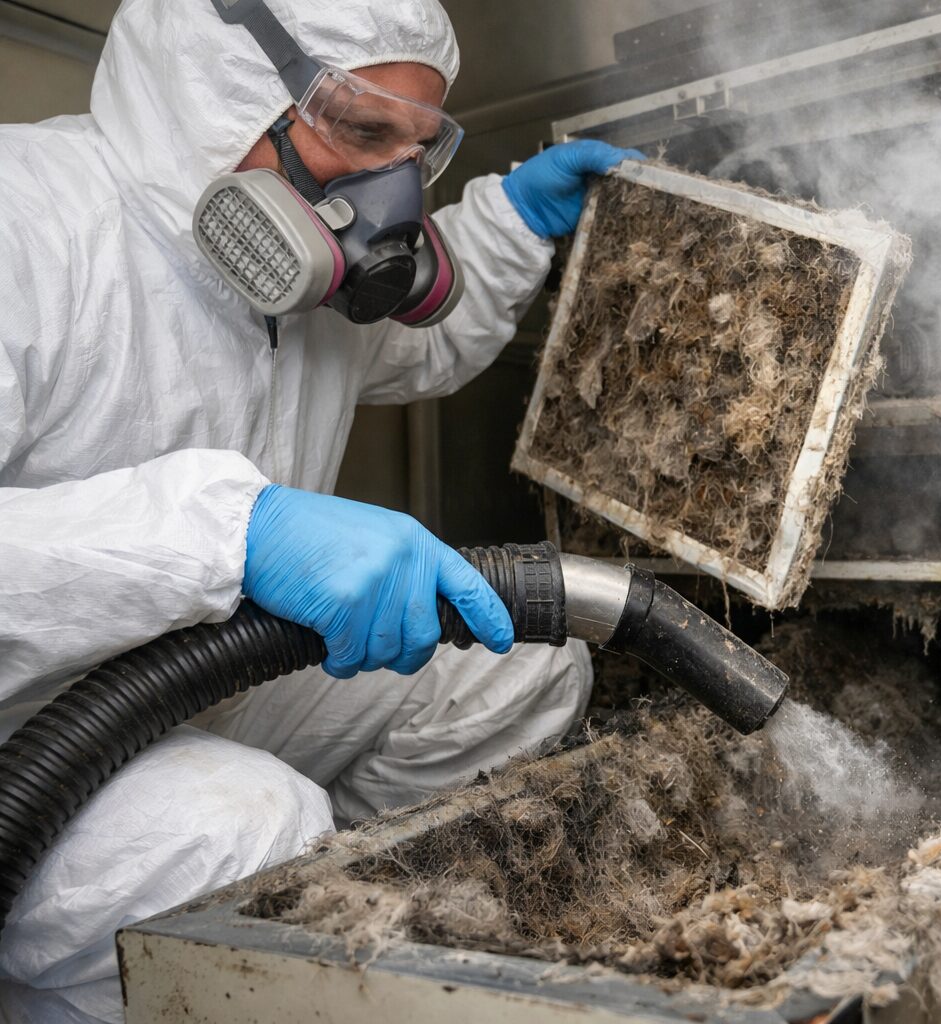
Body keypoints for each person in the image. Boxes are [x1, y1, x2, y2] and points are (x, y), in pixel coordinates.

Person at [0, 0, 640, 1019]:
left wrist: (514, 218)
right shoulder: (27, 219)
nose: (393, 193)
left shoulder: (299, 275)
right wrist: (225, 533)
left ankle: (350, 938)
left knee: (517, 669)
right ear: (219, 87)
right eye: (364, 129)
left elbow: (421, 339)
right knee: (242, 831)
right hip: (25, 734)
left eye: (417, 151)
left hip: (206, 672)